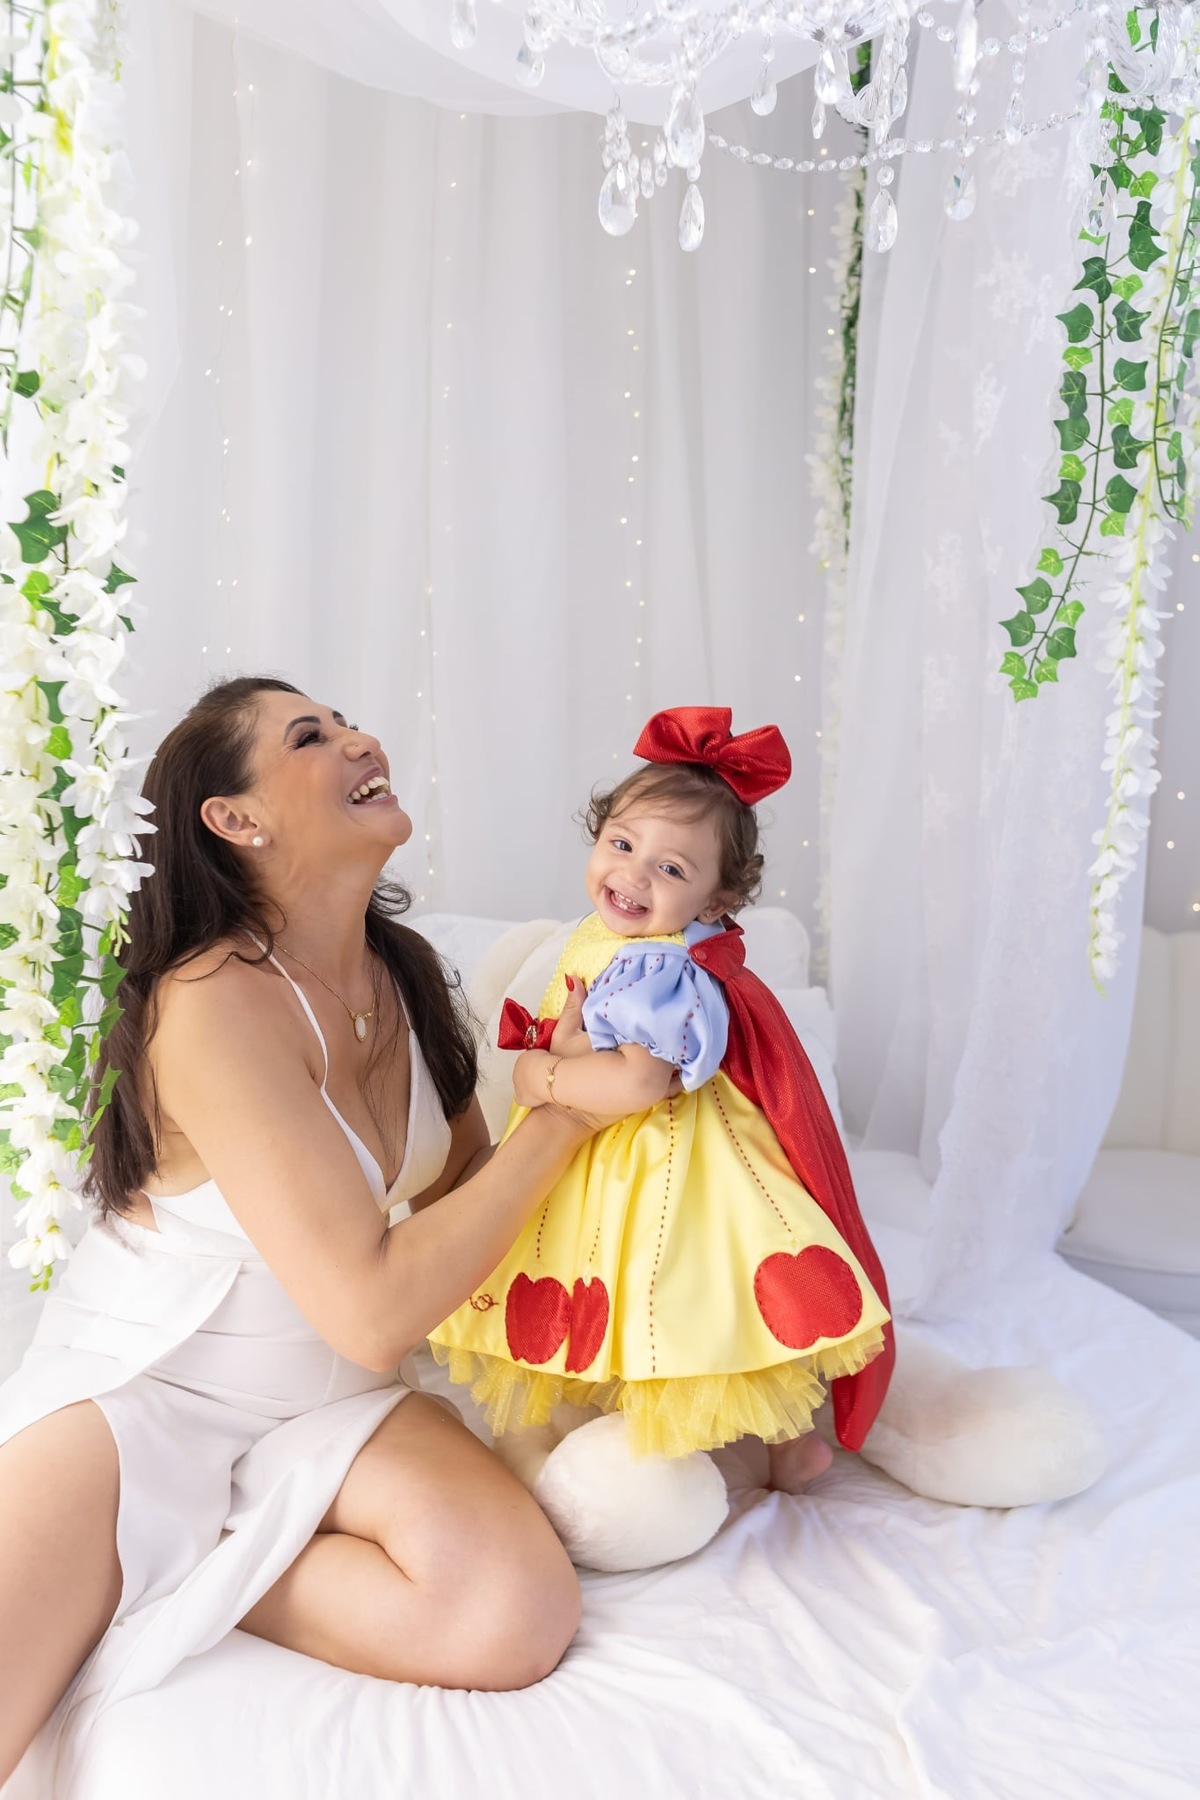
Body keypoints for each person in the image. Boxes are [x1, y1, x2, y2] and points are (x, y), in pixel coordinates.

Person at [0, 676, 611, 1793]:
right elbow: (375, 1309)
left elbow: (470, 1208)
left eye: (345, 723)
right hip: (152, 1392)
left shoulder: (407, 974)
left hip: (330, 1404)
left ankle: (187, 1565)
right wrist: (565, 1115)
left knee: (512, 1614)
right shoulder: (211, 998)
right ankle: (125, 1554)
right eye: (311, 736)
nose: (360, 738)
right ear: (238, 820)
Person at [429, 706, 895, 1493]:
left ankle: (726, 1456)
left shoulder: (662, 970)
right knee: (624, 1283)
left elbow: (638, 1082)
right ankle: (777, 1450)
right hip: (612, 1148)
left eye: (673, 869)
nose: (634, 876)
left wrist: (538, 1078)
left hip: (656, 1156)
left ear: (717, 902)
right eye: (621, 844)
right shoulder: (604, 940)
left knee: (663, 1287)